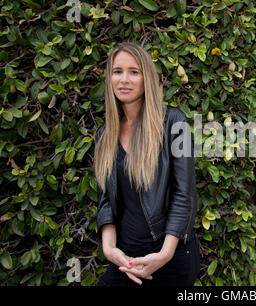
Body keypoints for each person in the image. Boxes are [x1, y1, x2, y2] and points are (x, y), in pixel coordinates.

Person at [93, 42, 200, 286]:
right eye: (117, 71)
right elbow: (105, 201)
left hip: (170, 259)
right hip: (125, 259)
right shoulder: (104, 135)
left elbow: (185, 194)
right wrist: (110, 250)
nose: (124, 80)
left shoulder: (174, 122)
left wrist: (164, 255)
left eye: (134, 72)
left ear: (147, 79)